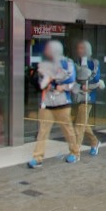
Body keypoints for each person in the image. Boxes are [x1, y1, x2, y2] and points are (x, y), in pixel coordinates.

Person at [28, 39, 80, 168]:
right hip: (47, 102)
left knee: (67, 130)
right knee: (43, 131)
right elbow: (41, 81)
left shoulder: (67, 63)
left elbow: (71, 78)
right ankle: (37, 157)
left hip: (62, 102)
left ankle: (75, 152)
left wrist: (56, 80)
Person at [72, 40, 104, 156]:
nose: (80, 50)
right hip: (77, 95)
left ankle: (75, 152)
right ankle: (94, 141)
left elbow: (96, 78)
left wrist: (87, 84)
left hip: (88, 97)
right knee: (82, 123)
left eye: (82, 48)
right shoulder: (76, 61)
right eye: (78, 48)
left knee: (79, 125)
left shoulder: (94, 63)